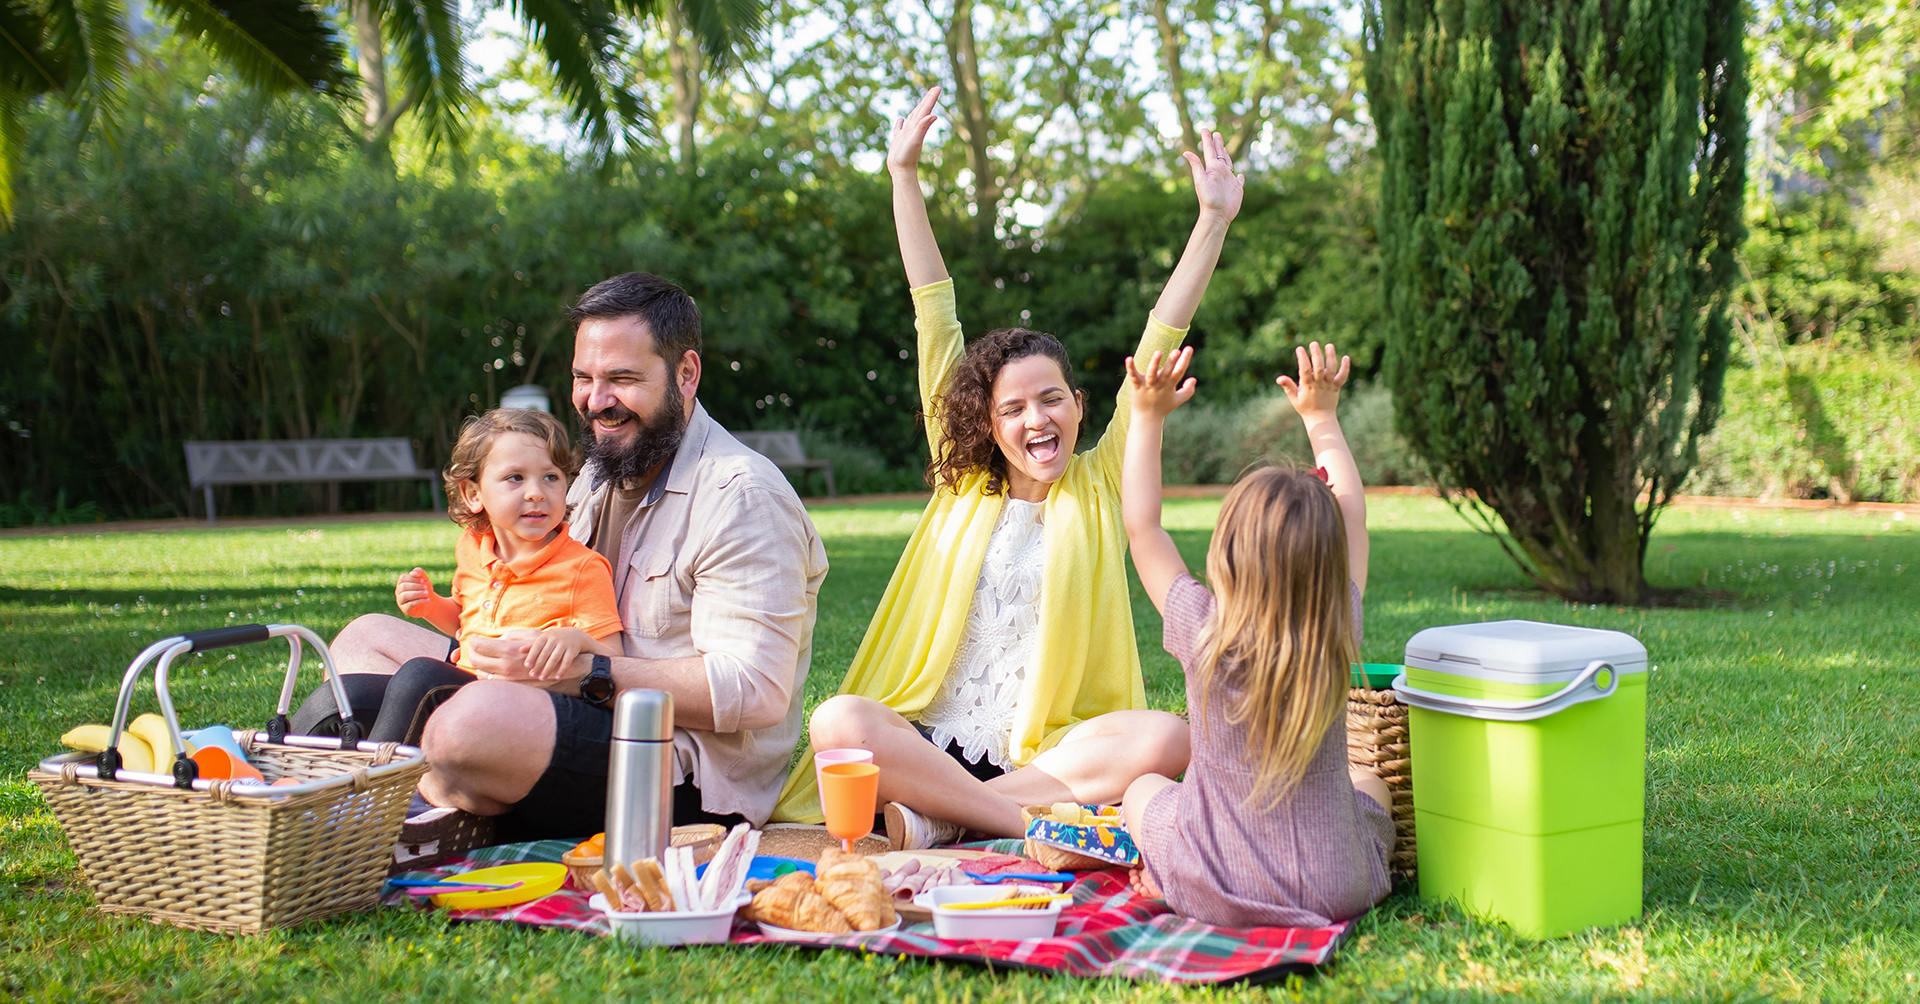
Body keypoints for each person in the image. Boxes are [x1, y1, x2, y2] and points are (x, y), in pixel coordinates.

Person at [774, 85, 1243, 848]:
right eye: (1014, 409)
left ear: (1081, 406)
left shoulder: (1100, 483)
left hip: (1045, 756)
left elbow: (1162, 336)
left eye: (1051, 400)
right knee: (839, 721)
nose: (1036, 419)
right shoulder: (962, 478)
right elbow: (934, 309)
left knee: (1168, 738)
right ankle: (1016, 824)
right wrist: (904, 176)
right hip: (927, 738)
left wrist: (1213, 220)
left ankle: (936, 820)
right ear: (987, 425)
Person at [293, 272, 828, 845]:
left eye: (621, 379)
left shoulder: (740, 495)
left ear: (686, 373)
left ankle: (401, 817)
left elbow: (756, 690)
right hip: (552, 689)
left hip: (673, 766)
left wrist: (589, 673)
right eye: (583, 378)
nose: (596, 402)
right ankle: (300, 799)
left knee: (464, 724)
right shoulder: (599, 470)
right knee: (362, 641)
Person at [1117, 341, 1394, 928]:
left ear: (1227, 552)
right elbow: (1353, 517)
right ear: (1328, 561)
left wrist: (1146, 418)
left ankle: (1159, 871)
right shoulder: (1335, 623)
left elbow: (1143, 530)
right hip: (1333, 887)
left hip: (1210, 882)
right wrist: (1321, 418)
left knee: (1142, 789)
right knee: (1369, 780)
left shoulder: (1202, 628)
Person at [355, 407, 624, 748]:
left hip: (525, 709)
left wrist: (577, 640)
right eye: (515, 478)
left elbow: (615, 658)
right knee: (353, 691)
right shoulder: (472, 547)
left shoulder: (582, 568)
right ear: (473, 494)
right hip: (467, 686)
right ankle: (288, 782)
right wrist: (430, 606)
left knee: (420, 676)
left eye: (551, 477)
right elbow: (465, 624)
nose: (537, 492)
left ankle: (370, 792)